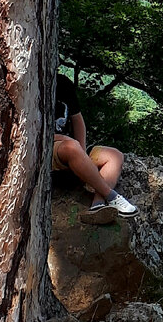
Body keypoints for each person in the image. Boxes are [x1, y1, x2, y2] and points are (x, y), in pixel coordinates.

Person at [53, 72, 138, 223]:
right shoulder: (31, 88)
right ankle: (112, 196)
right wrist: (68, 141)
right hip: (50, 150)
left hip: (72, 149)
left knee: (114, 155)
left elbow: (78, 120)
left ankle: (98, 206)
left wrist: (82, 152)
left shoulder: (62, 83)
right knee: (71, 147)